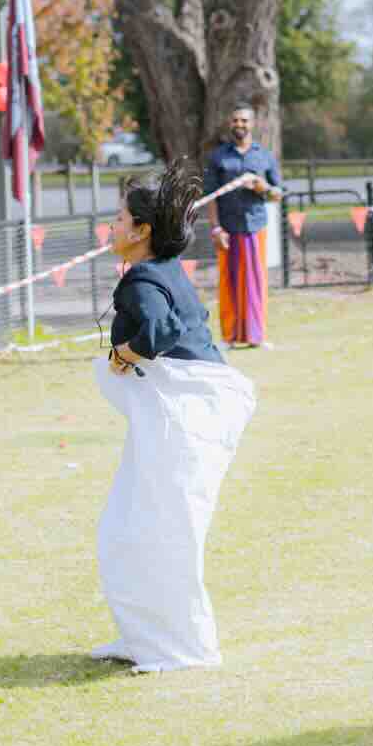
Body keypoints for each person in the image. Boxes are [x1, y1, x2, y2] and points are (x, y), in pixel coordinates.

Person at [92, 164, 257, 673]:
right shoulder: (162, 272)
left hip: (188, 417)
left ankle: (183, 650)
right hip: (188, 413)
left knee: (164, 529)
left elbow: (160, 332)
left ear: (142, 230)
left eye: (119, 219)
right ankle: (144, 637)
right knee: (127, 526)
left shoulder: (142, 276)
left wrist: (126, 354)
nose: (111, 227)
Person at [203, 102, 282, 348]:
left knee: (255, 282)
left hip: (255, 226)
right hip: (227, 228)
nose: (239, 124)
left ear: (253, 124)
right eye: (235, 120)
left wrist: (264, 188)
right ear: (230, 124)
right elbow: (211, 195)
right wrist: (216, 228)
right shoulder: (218, 156)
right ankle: (229, 336)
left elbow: (278, 194)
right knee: (229, 281)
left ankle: (256, 336)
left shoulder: (264, 156)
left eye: (244, 120)